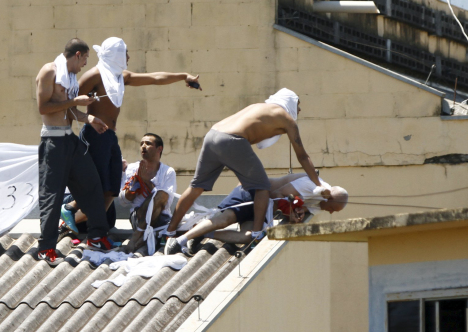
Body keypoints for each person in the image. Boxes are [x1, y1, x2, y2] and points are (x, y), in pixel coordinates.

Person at [59, 37, 198, 233]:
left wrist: (184, 75)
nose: (129, 57)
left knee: (113, 186)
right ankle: (73, 208)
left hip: (109, 136)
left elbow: (154, 78)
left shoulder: (119, 76)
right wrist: (86, 121)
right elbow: (67, 104)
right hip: (94, 135)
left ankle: (88, 226)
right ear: (116, 55)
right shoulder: (94, 75)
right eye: (125, 53)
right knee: (97, 185)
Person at [165, 88, 329, 239]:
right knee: (263, 187)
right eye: (298, 105)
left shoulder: (259, 107)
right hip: (232, 140)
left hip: (212, 135)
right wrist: (318, 185)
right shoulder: (287, 119)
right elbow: (302, 156)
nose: (299, 110)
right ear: (290, 102)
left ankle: (169, 231)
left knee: (196, 187)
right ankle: (257, 233)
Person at [34, 38, 115, 262]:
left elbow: (70, 112)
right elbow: (44, 107)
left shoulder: (69, 78)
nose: (84, 65)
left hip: (70, 140)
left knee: (91, 185)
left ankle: (97, 236)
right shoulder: (49, 71)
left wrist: (90, 119)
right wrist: (74, 102)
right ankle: (46, 248)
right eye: (85, 59)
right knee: (52, 194)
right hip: (53, 142)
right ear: (77, 54)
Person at [165, 172, 348, 255]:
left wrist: (294, 217)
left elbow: (293, 210)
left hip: (263, 210)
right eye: (333, 208)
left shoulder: (319, 204)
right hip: (252, 193)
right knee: (226, 219)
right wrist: (291, 210)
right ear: (330, 198)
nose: (331, 212)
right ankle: (179, 240)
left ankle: (203, 232)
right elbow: (276, 194)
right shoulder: (311, 185)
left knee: (246, 237)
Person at [118, 133, 177, 253]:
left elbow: (166, 201)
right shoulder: (132, 169)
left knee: (162, 195)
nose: (143, 146)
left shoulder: (168, 172)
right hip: (138, 215)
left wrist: (146, 181)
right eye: (141, 144)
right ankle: (140, 232)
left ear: (159, 149)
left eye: (148, 143)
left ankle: (140, 236)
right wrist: (133, 187)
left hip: (162, 217)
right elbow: (123, 201)